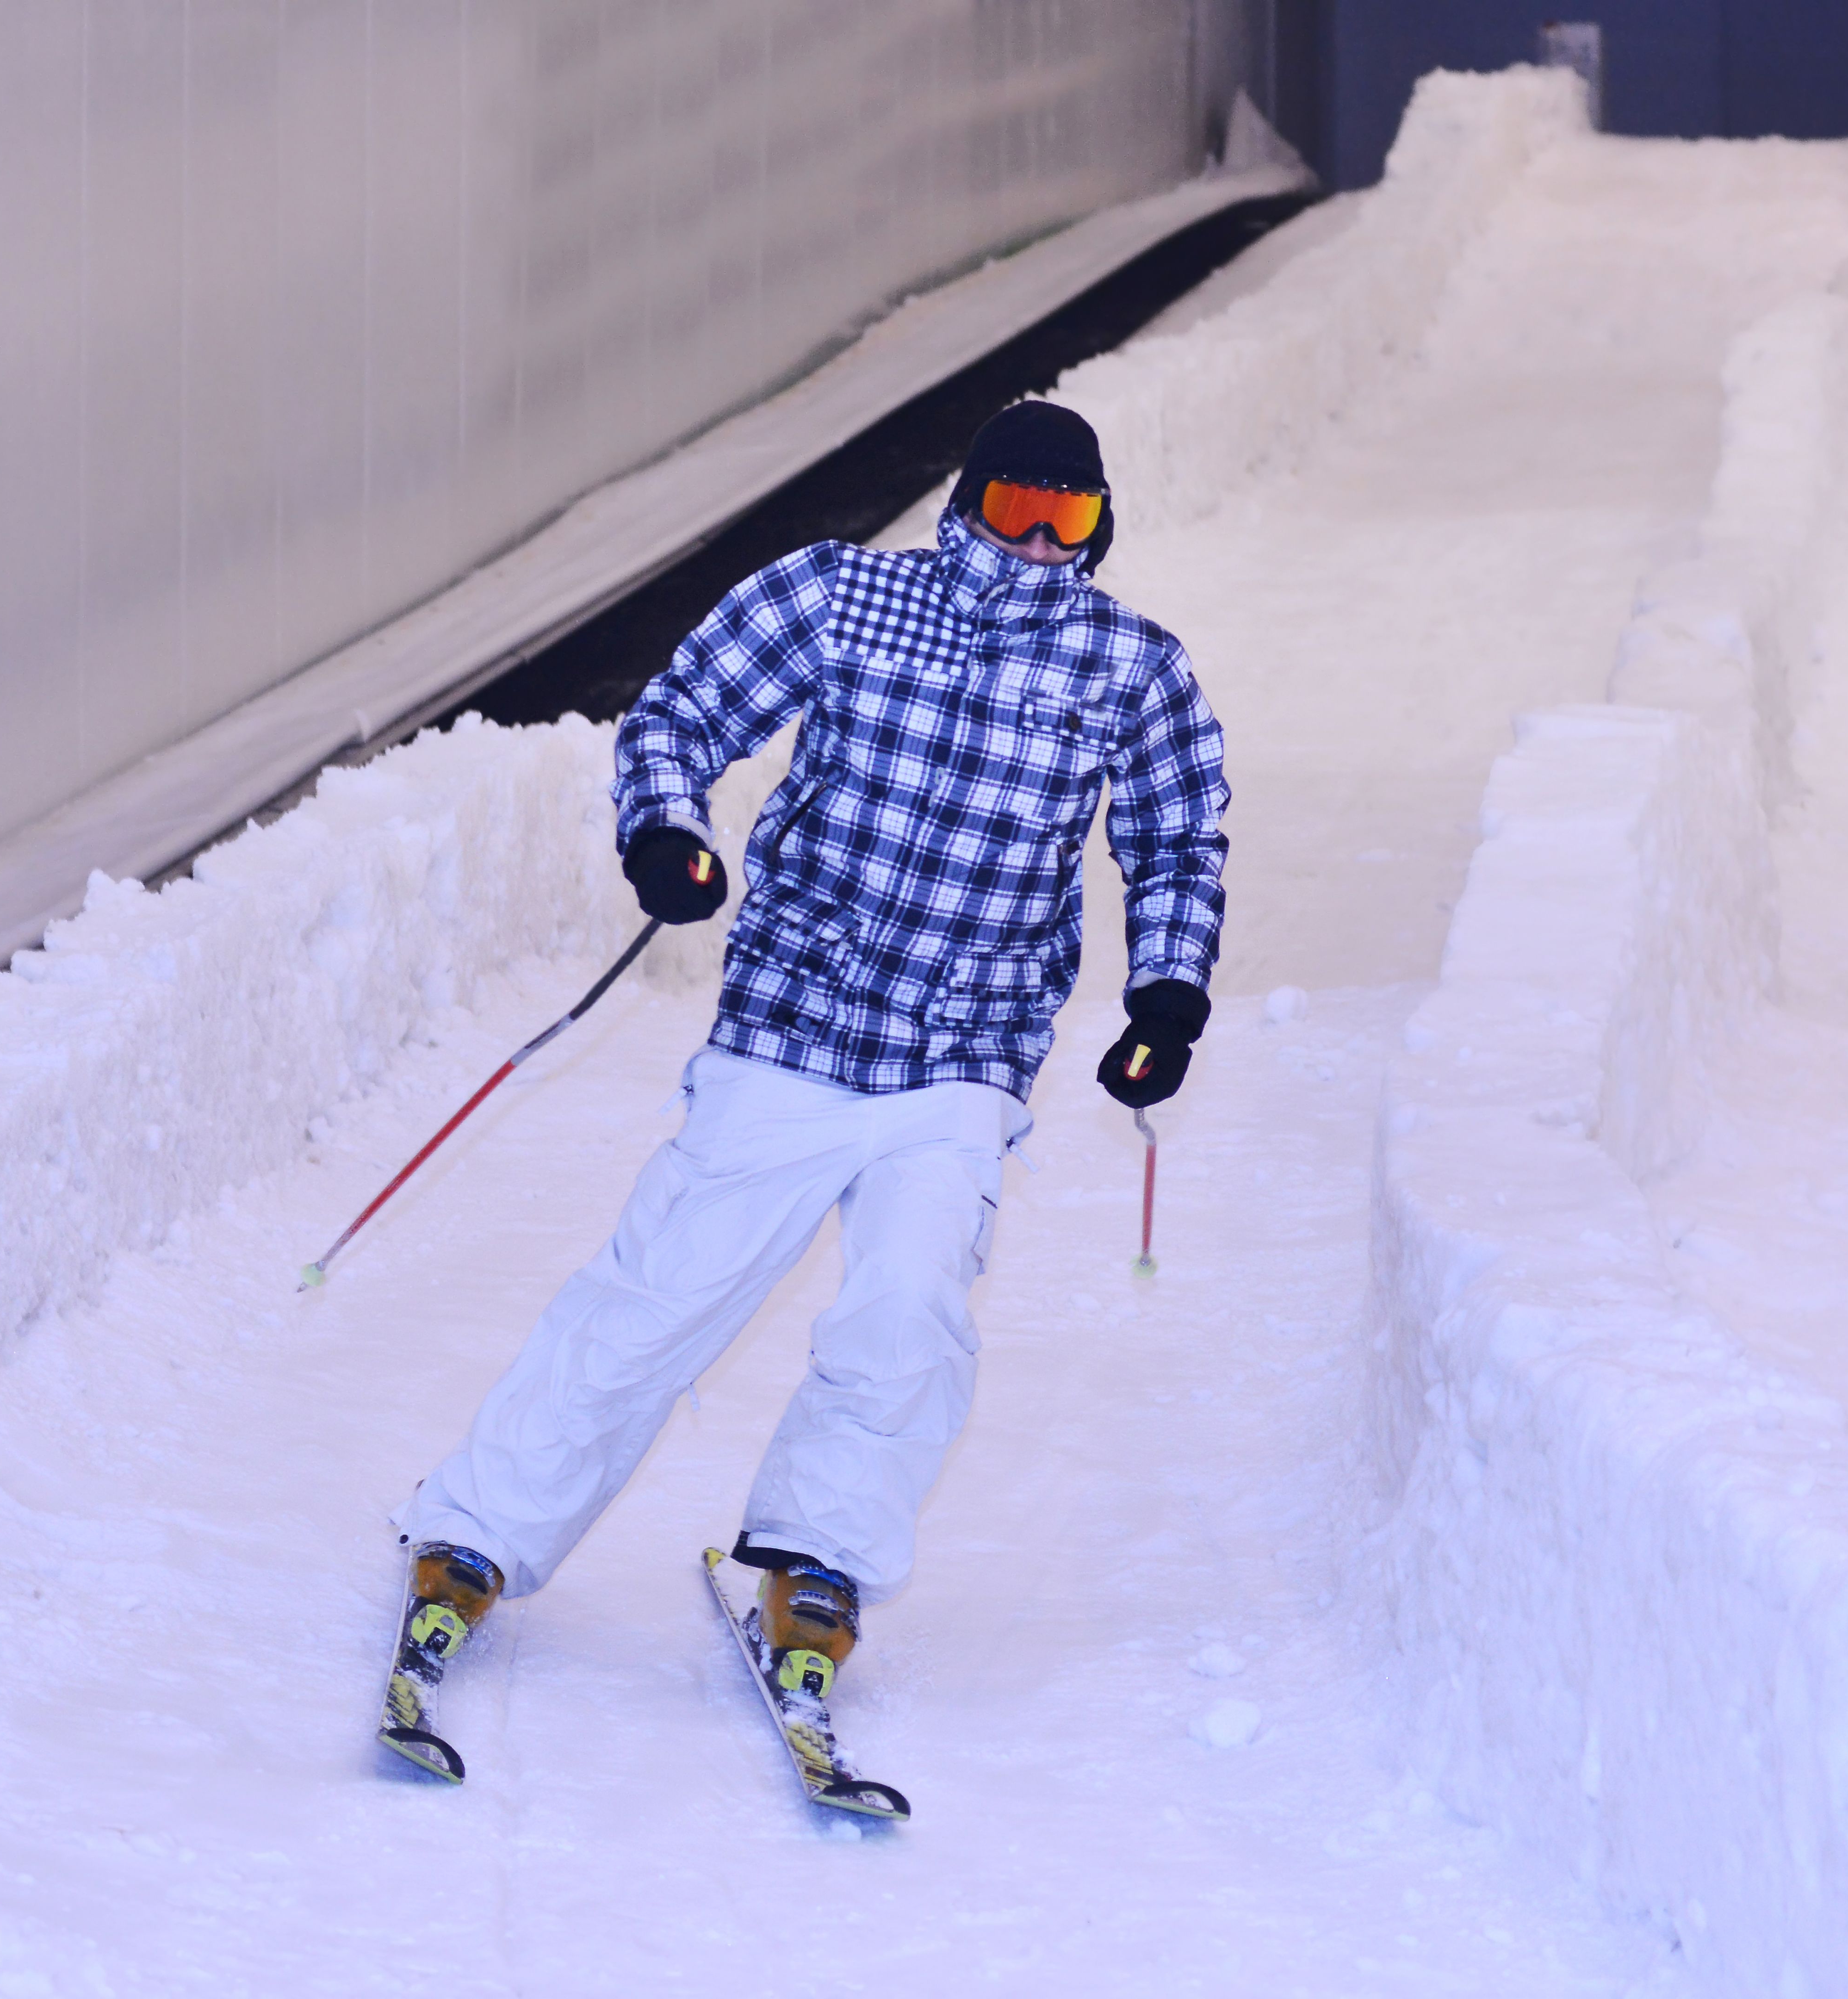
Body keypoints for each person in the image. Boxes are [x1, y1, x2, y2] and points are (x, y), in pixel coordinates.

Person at [393, 400, 1229, 1718]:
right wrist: (665, 833)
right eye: (1015, 510)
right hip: (796, 1021)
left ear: (1096, 528)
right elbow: (680, 714)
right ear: (967, 505)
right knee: (661, 1295)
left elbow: (1178, 841)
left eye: (1066, 519)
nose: (1037, 543)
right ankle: (476, 1534)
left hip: (965, 1052)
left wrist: (1165, 998)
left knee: (907, 1319)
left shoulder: (1131, 667)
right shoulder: (842, 595)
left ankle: (818, 1560)